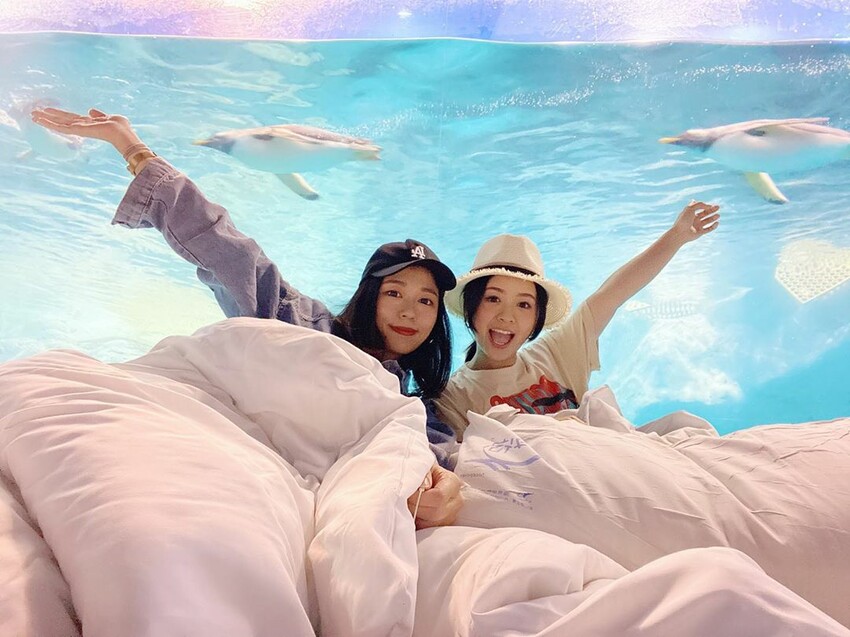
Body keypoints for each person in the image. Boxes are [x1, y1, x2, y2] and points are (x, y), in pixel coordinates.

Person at [31, 106, 462, 528]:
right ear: (368, 296)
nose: (409, 311)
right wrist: (131, 147)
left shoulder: (417, 411)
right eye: (393, 292)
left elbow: (433, 462)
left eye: (426, 301)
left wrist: (442, 493)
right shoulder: (307, 327)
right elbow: (231, 252)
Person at [435, 202, 719, 437]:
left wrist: (676, 236)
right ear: (471, 306)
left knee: (689, 430)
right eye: (492, 298)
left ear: (537, 318)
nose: (507, 316)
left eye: (524, 304)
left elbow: (614, 292)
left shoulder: (556, 353)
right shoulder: (452, 399)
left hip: (613, 461)